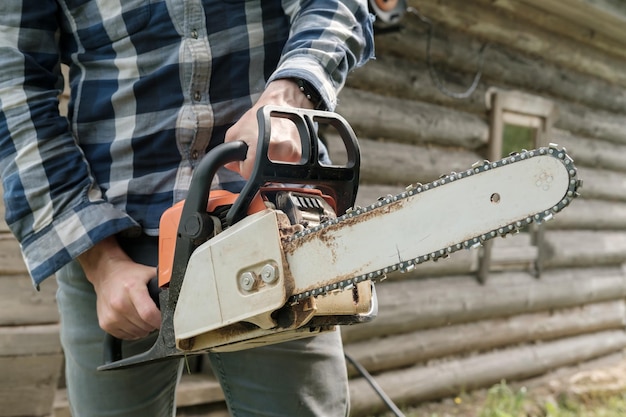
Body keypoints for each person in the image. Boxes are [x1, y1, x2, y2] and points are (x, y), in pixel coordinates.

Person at [0, 1, 374, 416]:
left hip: (270, 223)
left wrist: (288, 97)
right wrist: (100, 262)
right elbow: (13, 88)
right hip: (114, 238)